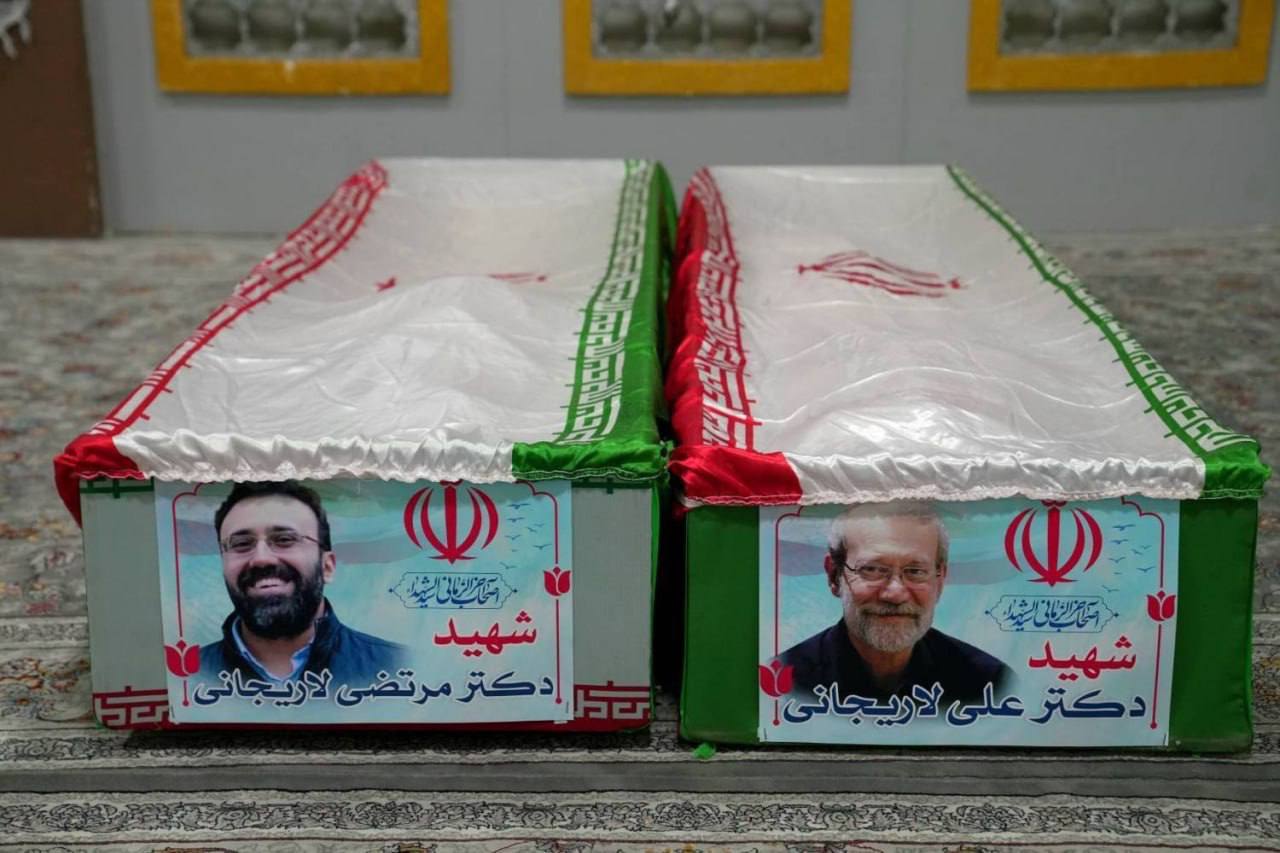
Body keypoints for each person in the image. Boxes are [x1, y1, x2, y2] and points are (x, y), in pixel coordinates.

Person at [779, 501, 1009, 704]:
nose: (895, 594)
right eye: (872, 569)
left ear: (940, 582)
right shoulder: (781, 683)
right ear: (834, 576)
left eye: (916, 571)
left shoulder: (990, 682)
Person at [198, 480, 406, 689]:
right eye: (241, 544)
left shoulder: (398, 670)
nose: (261, 559)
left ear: (327, 567)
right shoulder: (190, 679)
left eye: (284, 539)